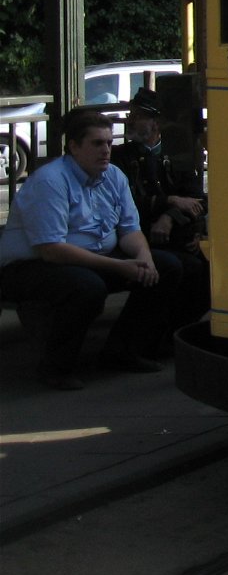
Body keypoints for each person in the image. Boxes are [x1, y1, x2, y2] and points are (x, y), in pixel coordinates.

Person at [0, 107, 184, 389]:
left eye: (109, 143)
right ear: (74, 146)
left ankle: (123, 350)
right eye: (97, 144)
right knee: (85, 286)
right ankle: (56, 368)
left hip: (95, 256)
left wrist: (143, 258)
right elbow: (51, 249)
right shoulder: (51, 181)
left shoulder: (113, 176)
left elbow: (129, 229)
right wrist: (120, 266)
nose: (106, 151)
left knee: (166, 266)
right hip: (32, 265)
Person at [112, 88, 210, 332]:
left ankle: (174, 332)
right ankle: (146, 335)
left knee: (211, 271)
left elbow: (197, 199)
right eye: (130, 114)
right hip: (136, 237)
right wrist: (168, 201)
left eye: (138, 116)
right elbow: (124, 203)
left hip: (175, 234)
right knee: (175, 268)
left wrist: (170, 216)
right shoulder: (119, 158)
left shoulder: (177, 156)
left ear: (156, 123)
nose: (130, 120)